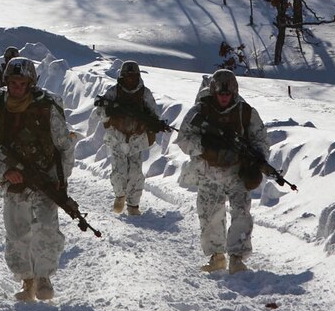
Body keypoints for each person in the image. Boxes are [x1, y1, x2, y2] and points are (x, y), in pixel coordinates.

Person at [0, 57, 75, 302]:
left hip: (45, 177)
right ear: (6, 82)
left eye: (22, 83)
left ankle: (43, 278)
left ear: (31, 83)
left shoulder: (47, 106)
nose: (17, 88)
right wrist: (4, 172)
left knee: (47, 229)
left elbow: (64, 146)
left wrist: (61, 180)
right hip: (14, 181)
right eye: (13, 83)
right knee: (17, 233)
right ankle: (27, 280)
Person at [175, 69, 273, 274]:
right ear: (214, 91)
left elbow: (261, 140)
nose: (224, 97)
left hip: (237, 172)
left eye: (228, 94)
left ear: (234, 92)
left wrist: (256, 159)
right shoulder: (200, 111)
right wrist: (206, 147)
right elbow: (183, 139)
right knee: (210, 214)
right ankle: (217, 257)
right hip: (208, 171)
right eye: (221, 93)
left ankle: (237, 258)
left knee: (241, 212)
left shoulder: (246, 112)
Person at [94, 60, 165, 216]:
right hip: (117, 137)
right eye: (128, 76)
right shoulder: (114, 92)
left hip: (136, 139)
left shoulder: (144, 93)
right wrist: (110, 112)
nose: (130, 80)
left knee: (135, 174)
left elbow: (154, 113)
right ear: (122, 77)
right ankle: (120, 196)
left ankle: (133, 205)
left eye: (133, 77)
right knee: (119, 172)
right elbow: (99, 110)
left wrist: (154, 124)